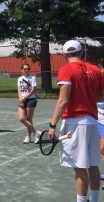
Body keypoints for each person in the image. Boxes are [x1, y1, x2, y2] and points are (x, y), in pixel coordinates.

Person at [48, 40, 104, 202]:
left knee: (80, 167)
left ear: (65, 55)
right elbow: (101, 96)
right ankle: (94, 200)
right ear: (82, 52)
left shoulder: (66, 69)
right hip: (93, 122)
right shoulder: (96, 70)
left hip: (75, 123)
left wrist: (52, 125)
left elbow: (63, 100)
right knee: (93, 165)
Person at [17, 64, 41, 144]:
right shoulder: (20, 79)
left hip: (31, 99)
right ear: (21, 70)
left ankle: (28, 137)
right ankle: (36, 133)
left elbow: (33, 90)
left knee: (29, 119)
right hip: (22, 100)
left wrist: (24, 98)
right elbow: (19, 90)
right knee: (21, 118)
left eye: (28, 69)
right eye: (25, 69)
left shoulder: (32, 78)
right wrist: (21, 99)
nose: (26, 70)